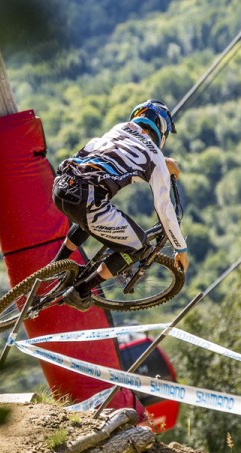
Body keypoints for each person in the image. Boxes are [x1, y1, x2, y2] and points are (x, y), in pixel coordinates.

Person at [51, 99, 189, 311]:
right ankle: (82, 291)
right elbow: (164, 208)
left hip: (61, 186)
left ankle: (56, 266)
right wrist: (180, 248)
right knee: (139, 247)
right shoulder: (156, 158)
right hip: (86, 201)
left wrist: (163, 162)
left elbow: (120, 152)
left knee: (92, 215)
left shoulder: (119, 128)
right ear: (162, 131)